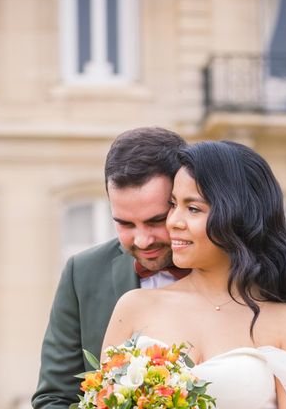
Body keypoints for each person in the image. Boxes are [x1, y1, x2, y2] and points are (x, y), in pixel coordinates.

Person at [102, 140, 286, 409]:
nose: (173, 222)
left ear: (237, 216)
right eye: (173, 204)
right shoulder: (134, 307)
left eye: (193, 208)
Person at [32, 127, 189, 408]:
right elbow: (54, 398)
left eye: (156, 220)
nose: (142, 240)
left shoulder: (236, 270)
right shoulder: (82, 273)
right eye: (125, 224)